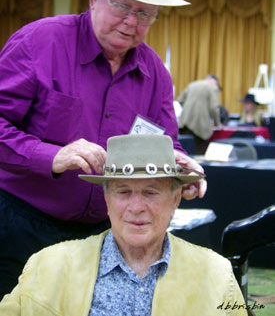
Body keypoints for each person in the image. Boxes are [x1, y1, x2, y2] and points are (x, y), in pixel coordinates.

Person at [0, 0, 206, 298]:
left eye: (145, 13)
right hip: (21, 226)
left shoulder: (155, 71)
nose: (131, 22)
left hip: (101, 237)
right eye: (123, 6)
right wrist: (51, 155)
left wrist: (180, 166)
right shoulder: (39, 42)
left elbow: (163, 143)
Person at [0, 134, 247, 316]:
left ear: (175, 201)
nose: (136, 206)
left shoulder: (215, 274)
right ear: (107, 200)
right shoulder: (48, 266)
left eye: (151, 192)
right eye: (123, 191)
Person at [177, 75, 221, 154]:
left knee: (184, 152)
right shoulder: (213, 87)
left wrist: (188, 110)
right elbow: (213, 108)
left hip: (184, 123)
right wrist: (217, 123)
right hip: (200, 126)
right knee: (199, 154)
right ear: (216, 83)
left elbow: (180, 100)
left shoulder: (192, 84)